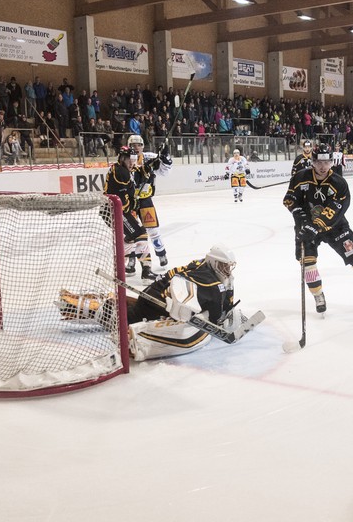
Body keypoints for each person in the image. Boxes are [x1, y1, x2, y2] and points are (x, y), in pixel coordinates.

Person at [57, 245, 261, 361]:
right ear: (214, 262)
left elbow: (221, 301)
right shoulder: (209, 279)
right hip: (155, 302)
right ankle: (84, 306)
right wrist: (191, 311)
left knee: (135, 312)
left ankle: (103, 302)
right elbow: (213, 309)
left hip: (156, 295)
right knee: (130, 318)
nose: (228, 269)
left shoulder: (207, 269)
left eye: (229, 266)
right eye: (224, 265)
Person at [283, 142, 353, 314]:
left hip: (335, 227)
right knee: (307, 263)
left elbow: (337, 207)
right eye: (318, 162)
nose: (322, 167)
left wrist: (316, 225)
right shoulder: (300, 177)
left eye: (326, 162)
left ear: (332, 162)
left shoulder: (339, 183)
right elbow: (289, 199)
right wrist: (301, 217)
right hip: (306, 227)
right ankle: (318, 295)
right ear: (313, 161)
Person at [104, 145, 157, 283]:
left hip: (116, 211)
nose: (132, 162)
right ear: (122, 159)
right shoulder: (121, 172)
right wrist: (132, 203)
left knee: (129, 238)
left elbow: (138, 171)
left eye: (133, 158)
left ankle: (127, 270)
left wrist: (149, 166)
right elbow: (124, 199)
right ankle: (146, 271)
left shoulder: (123, 169)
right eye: (130, 159)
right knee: (140, 234)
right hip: (115, 211)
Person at [125, 134, 173, 272]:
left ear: (142, 146)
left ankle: (161, 253)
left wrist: (165, 157)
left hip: (145, 199)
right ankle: (131, 259)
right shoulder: (125, 159)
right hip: (130, 201)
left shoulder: (150, 157)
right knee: (131, 231)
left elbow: (165, 171)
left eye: (138, 144)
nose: (136, 147)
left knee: (153, 229)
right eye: (132, 145)